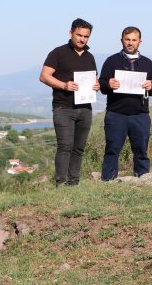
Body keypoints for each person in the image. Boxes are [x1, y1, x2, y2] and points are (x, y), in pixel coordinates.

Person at [39, 18, 100, 186]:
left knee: (79, 147)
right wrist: (64, 85)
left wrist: (97, 85)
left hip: (85, 108)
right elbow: (44, 76)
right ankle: (61, 182)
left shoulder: (90, 57)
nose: (82, 39)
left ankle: (74, 182)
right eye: (79, 35)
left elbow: (95, 80)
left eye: (86, 36)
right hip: (63, 107)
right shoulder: (58, 53)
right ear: (71, 33)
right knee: (65, 145)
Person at [98, 26, 152, 181]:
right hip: (116, 114)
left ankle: (143, 179)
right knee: (112, 149)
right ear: (122, 40)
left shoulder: (148, 63)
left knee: (141, 151)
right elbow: (102, 85)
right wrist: (108, 84)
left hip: (140, 114)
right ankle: (108, 180)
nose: (130, 43)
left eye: (134, 40)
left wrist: (151, 86)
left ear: (140, 42)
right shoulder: (111, 61)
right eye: (127, 39)